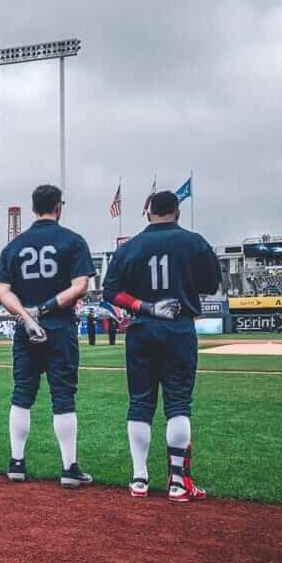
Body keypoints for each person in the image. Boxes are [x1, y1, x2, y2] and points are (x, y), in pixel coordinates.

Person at [102, 190, 222, 502]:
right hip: (179, 327)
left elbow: (111, 292)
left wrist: (142, 305)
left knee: (140, 403)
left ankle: (139, 478)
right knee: (178, 404)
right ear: (177, 212)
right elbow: (211, 284)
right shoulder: (194, 242)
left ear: (148, 212)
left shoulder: (129, 247)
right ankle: (179, 483)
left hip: (141, 328)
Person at [0, 184, 95, 488]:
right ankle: (69, 468)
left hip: (26, 329)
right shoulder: (73, 241)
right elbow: (81, 286)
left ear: (33, 208)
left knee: (22, 393)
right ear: (58, 207)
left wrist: (27, 317)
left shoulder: (14, 247)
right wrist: (44, 310)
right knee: (62, 395)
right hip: (60, 326)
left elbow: (0, 290)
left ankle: (16, 462)